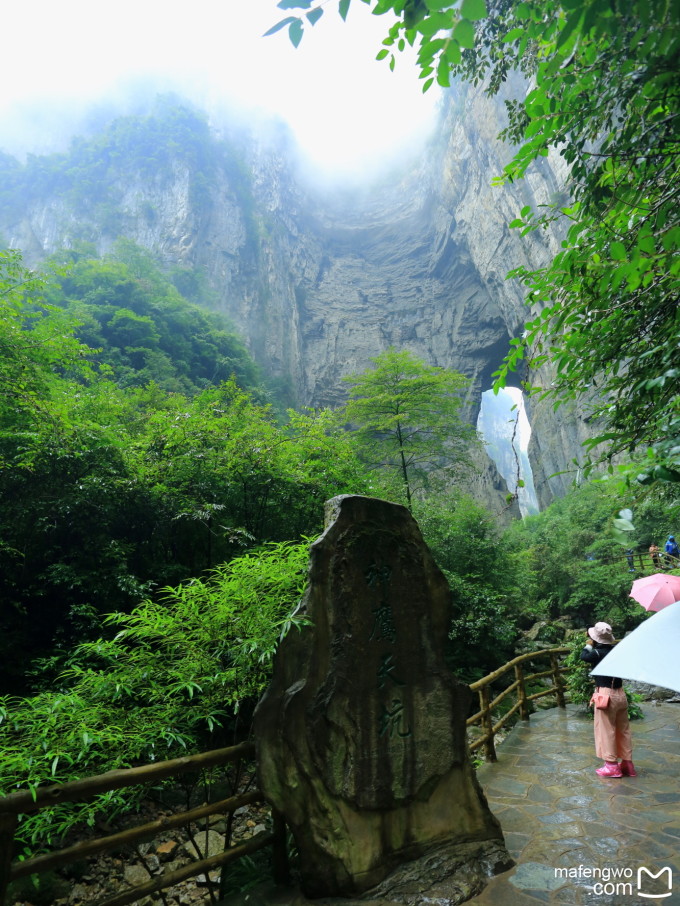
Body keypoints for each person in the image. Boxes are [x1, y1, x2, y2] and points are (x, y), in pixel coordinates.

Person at [580, 621, 635, 778]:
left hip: (605, 695)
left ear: (596, 638)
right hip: (620, 694)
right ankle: (627, 764)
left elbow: (584, 656)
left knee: (606, 730)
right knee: (623, 730)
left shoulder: (597, 653)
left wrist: (589, 644)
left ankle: (611, 765)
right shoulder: (617, 651)